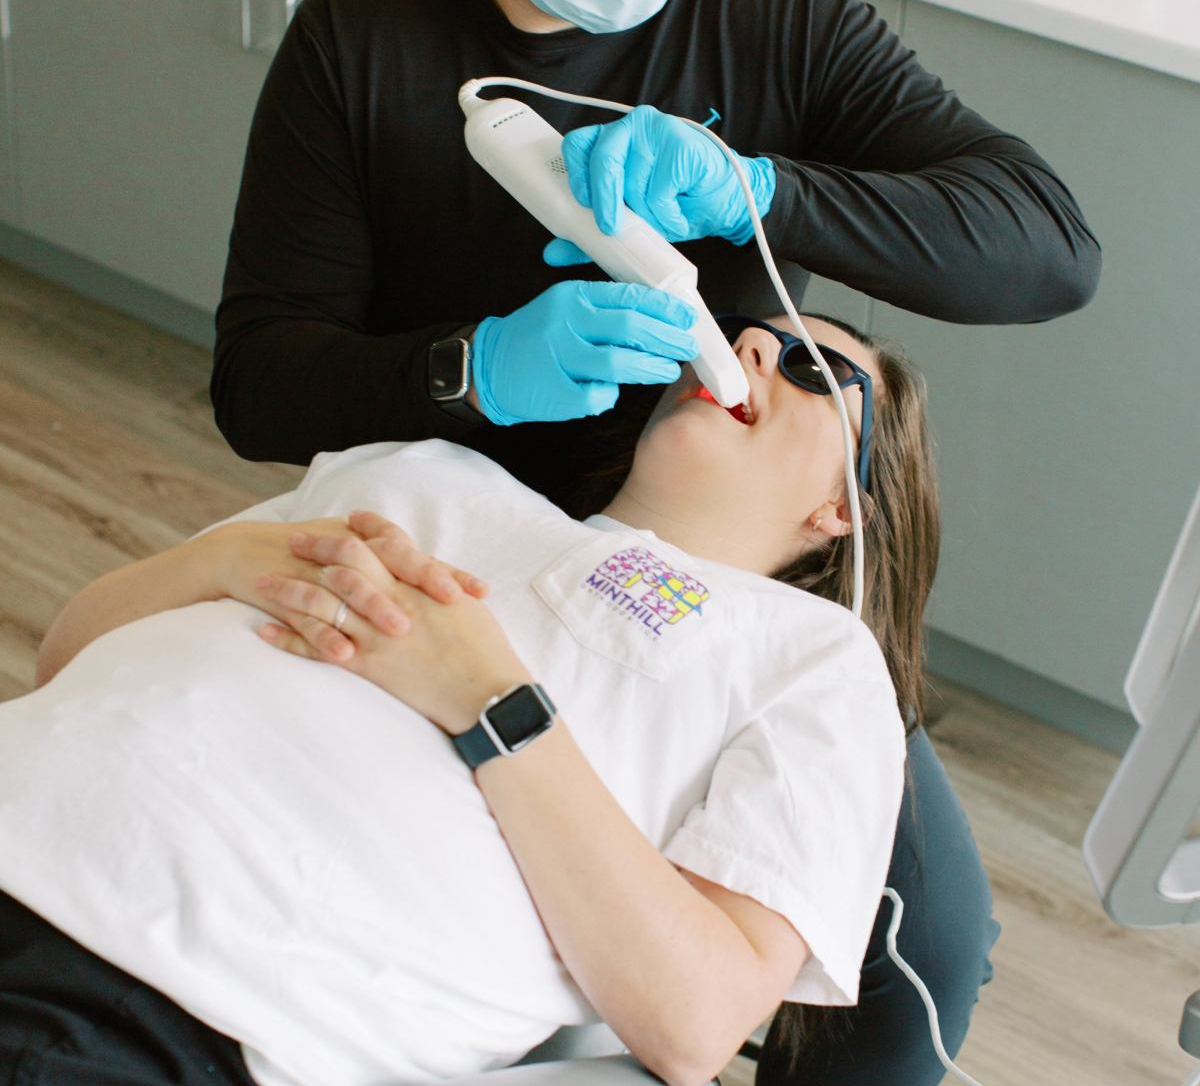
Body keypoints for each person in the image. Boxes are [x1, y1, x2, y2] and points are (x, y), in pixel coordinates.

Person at [208, 0, 1074, 1077]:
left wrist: (761, 189)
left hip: (715, 588)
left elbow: (1046, 246)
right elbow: (258, 386)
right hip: (467, 549)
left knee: (929, 933)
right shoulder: (361, 38)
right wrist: (474, 370)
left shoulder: (773, 14)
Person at [8, 315, 931, 1086]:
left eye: (814, 368)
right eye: (744, 335)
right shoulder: (426, 472)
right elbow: (68, 657)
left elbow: (696, 1022)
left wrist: (493, 703)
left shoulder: (823, 666)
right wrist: (213, 564)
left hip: (167, 995)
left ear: (843, 508)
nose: (750, 350)